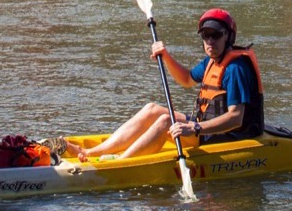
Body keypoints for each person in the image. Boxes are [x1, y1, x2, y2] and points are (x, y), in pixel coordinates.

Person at [67, 9, 263, 161]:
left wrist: (194, 128)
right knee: (152, 109)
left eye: (216, 35)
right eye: (205, 35)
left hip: (231, 135)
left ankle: (121, 162)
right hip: (204, 126)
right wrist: (166, 56)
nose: (210, 41)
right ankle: (91, 152)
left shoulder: (235, 69)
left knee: (164, 122)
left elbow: (236, 118)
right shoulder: (212, 61)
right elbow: (186, 79)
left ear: (228, 36)